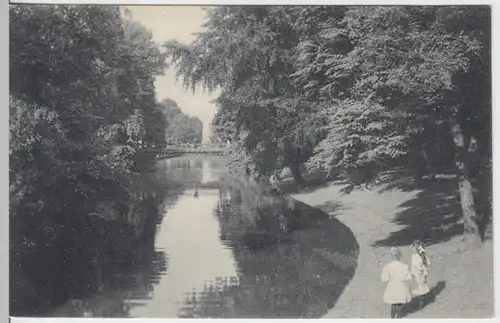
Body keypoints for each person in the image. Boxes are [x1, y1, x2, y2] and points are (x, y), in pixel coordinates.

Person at [381, 247, 413, 318]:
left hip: (392, 286)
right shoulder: (404, 266)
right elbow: (408, 277)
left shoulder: (388, 266)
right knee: (400, 303)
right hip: (401, 286)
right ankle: (398, 317)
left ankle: (392, 317)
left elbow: (384, 279)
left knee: (393, 303)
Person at [410, 240, 431, 308]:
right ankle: (420, 302)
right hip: (420, 274)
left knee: (420, 288)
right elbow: (427, 263)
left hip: (419, 274)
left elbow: (418, 266)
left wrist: (423, 259)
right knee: (421, 288)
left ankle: (420, 303)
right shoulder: (417, 256)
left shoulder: (415, 257)